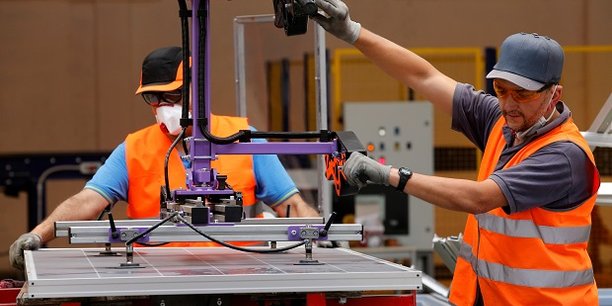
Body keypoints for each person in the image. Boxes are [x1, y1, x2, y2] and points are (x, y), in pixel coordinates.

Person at [312, 1, 599, 305]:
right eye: (501, 90)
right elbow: (424, 77)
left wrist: (388, 174)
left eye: (522, 94)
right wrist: (353, 32)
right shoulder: (502, 122)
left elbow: (479, 198)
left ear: (554, 94)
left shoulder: (563, 155)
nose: (509, 104)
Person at [10, 46, 320, 270]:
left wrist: (318, 236)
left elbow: (291, 204)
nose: (160, 106)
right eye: (152, 97)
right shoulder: (134, 148)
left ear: (197, 92)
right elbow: (88, 201)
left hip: (238, 277)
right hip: (156, 280)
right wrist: (39, 234)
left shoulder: (242, 138)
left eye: (170, 96)